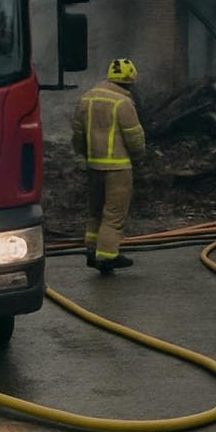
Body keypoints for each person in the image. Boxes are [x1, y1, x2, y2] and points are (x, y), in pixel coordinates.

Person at [72, 57, 147, 275]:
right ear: (129, 81)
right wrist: (139, 156)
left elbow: (78, 133)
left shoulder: (87, 98)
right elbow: (134, 136)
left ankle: (91, 250)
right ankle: (107, 255)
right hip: (118, 169)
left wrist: (83, 155)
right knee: (113, 215)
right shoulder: (123, 103)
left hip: (93, 166)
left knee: (95, 211)